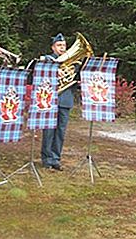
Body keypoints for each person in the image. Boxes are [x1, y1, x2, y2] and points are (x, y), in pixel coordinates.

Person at [41, 33, 74, 171]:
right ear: (53, 47)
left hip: (65, 99)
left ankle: (56, 158)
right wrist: (55, 70)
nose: (62, 48)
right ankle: (46, 158)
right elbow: (41, 72)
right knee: (49, 130)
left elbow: (75, 78)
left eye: (64, 46)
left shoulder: (72, 62)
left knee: (61, 130)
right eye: (59, 45)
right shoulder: (48, 60)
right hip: (51, 100)